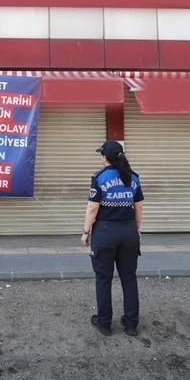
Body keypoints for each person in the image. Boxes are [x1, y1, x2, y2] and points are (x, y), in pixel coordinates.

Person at [81, 140, 144, 337]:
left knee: (103, 279)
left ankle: (105, 324)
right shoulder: (133, 177)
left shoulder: (99, 177)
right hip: (128, 231)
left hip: (105, 232)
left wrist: (85, 232)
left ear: (105, 157)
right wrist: (137, 229)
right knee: (129, 278)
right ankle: (131, 324)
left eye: (101, 154)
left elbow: (93, 208)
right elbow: (139, 207)